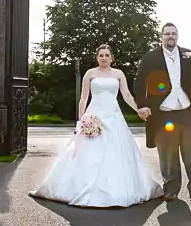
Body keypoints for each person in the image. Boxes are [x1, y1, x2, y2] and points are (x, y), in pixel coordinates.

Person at [29, 44, 163, 208]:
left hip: (113, 116)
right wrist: (81, 121)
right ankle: (80, 188)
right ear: (97, 57)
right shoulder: (90, 73)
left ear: (112, 58)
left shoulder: (118, 74)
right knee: (88, 152)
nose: (104, 58)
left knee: (117, 151)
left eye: (107, 55)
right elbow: (83, 99)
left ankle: (116, 190)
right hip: (94, 115)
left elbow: (127, 95)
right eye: (101, 55)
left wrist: (138, 110)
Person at [134, 23, 191, 202]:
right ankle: (171, 190)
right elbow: (140, 83)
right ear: (161, 36)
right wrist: (142, 105)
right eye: (167, 34)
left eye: (174, 34)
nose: (171, 37)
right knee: (168, 154)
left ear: (178, 36)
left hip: (188, 112)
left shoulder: (190, 56)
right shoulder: (150, 57)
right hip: (163, 113)